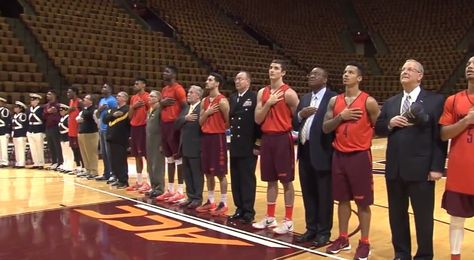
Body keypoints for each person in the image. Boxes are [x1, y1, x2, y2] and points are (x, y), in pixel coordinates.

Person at [375, 59, 446, 260]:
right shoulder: (391, 102)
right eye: (403, 69)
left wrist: (436, 167)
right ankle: (401, 253)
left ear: (420, 75)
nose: (405, 72)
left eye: (410, 69)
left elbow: (439, 137)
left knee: (423, 217)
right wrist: (389, 123)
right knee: (396, 216)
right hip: (394, 169)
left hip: (422, 170)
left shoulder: (435, 101)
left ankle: (424, 255)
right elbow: (378, 128)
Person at [323, 62, 380, 259]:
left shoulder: (369, 102)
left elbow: (378, 127)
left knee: (363, 203)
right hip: (339, 156)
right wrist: (341, 116)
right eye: (344, 71)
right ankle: (343, 238)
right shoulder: (334, 101)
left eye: (351, 72)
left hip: (359, 156)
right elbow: (326, 128)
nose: (346, 75)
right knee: (342, 200)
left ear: (360, 78)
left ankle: (364, 242)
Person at [253, 60, 299, 234]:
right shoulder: (262, 92)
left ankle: (288, 220)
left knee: (286, 180)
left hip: (282, 138)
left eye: (276, 68)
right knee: (270, 180)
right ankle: (270, 216)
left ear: (283, 73)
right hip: (267, 139)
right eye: (270, 67)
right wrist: (268, 103)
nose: (272, 70)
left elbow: (298, 117)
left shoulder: (289, 94)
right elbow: (258, 119)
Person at [294, 67, 336, 245]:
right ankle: (311, 229)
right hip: (304, 151)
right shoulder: (304, 98)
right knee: (308, 193)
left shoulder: (333, 98)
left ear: (325, 78)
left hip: (323, 151)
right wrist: (300, 115)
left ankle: (324, 232)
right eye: (310, 74)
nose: (311, 76)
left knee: (324, 194)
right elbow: (294, 123)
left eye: (316, 74)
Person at [438, 56, 474, 260]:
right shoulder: (453, 100)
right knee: (457, 219)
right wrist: (467, 121)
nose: (470, 67)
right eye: (469, 64)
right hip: (460, 171)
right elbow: (444, 134)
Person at [196, 73, 230, 216]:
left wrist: (219, 126)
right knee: (208, 172)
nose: (206, 81)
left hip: (218, 137)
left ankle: (224, 202)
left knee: (220, 173)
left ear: (217, 83)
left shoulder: (222, 101)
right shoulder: (204, 100)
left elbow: (228, 121)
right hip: (206, 138)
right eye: (207, 79)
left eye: (210, 80)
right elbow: (200, 122)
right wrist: (208, 112)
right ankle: (210, 201)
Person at [228, 71, 260, 224]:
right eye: (236, 79)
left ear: (248, 81)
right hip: (235, 144)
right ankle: (239, 207)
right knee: (235, 178)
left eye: (240, 79)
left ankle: (248, 210)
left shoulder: (254, 97)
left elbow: (259, 123)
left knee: (247, 178)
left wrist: (258, 144)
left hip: (248, 145)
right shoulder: (233, 97)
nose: (237, 81)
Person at [157, 66, 187, 203]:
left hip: (173, 125)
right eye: (164, 71)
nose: (164, 73)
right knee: (168, 158)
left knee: (178, 158)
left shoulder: (178, 89)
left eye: (167, 71)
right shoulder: (164, 90)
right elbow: (162, 107)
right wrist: (161, 104)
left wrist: (178, 122)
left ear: (174, 74)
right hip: (164, 125)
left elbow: (185, 106)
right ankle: (170, 189)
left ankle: (180, 191)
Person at [174, 85, 204, 209]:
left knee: (196, 174)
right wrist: (185, 118)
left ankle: (197, 198)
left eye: (191, 92)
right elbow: (176, 123)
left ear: (198, 95)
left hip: (196, 146)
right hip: (185, 146)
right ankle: (190, 196)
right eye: (188, 92)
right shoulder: (186, 108)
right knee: (187, 174)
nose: (188, 94)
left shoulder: (202, 107)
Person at [127, 78, 150, 192]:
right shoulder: (133, 98)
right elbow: (129, 116)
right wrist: (133, 107)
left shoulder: (147, 97)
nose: (135, 85)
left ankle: (149, 182)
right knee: (136, 155)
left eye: (137, 83)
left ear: (143, 85)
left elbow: (151, 113)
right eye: (134, 83)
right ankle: (139, 181)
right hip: (134, 127)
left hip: (143, 127)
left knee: (146, 155)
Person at [104, 91, 131, 189]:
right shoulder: (113, 109)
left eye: (119, 96)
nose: (117, 97)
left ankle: (124, 181)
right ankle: (117, 178)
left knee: (121, 160)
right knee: (113, 160)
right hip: (111, 137)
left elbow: (129, 122)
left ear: (125, 98)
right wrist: (113, 115)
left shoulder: (127, 109)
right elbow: (104, 119)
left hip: (121, 138)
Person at [94, 84, 117, 181]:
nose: (103, 88)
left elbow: (114, 113)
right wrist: (100, 109)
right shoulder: (102, 100)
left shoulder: (112, 100)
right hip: (101, 128)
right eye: (102, 87)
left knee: (109, 152)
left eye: (105, 87)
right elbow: (98, 114)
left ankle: (113, 173)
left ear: (110, 90)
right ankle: (106, 173)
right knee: (103, 153)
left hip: (109, 128)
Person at [145, 90, 165, 198]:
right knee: (150, 165)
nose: (149, 98)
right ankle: (153, 187)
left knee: (157, 165)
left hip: (157, 140)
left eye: (152, 96)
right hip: (149, 140)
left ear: (158, 98)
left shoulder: (160, 110)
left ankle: (159, 188)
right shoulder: (150, 110)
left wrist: (162, 142)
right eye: (149, 96)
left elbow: (163, 127)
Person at [76, 94, 99, 179]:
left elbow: (98, 121)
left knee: (91, 153)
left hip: (91, 134)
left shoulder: (94, 111)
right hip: (82, 133)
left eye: (86, 98)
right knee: (84, 153)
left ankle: (94, 171)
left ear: (91, 101)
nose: (84, 100)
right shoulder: (83, 110)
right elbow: (77, 119)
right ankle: (87, 170)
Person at [43, 90, 63, 170]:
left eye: (49, 94)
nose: (47, 95)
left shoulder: (58, 105)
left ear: (54, 95)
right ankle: (54, 161)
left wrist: (53, 112)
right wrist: (48, 112)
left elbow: (61, 116)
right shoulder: (46, 106)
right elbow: (43, 116)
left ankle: (60, 161)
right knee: (50, 145)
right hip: (48, 127)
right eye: (47, 94)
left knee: (57, 145)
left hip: (55, 127)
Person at [66, 87, 83, 174]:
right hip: (71, 129)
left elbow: (82, 114)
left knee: (79, 149)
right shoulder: (71, 102)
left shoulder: (79, 102)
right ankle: (77, 166)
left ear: (75, 92)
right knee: (74, 149)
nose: (67, 93)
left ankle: (83, 167)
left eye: (69, 92)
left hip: (77, 129)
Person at [27, 93, 45, 169]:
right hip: (30, 130)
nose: (32, 101)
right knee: (33, 148)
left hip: (38, 130)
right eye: (31, 100)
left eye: (34, 100)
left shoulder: (41, 109)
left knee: (39, 147)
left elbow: (44, 120)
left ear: (38, 101)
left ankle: (41, 163)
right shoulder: (28, 109)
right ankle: (36, 163)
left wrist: (44, 131)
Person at [57, 104, 75, 173]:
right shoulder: (62, 118)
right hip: (62, 136)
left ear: (66, 111)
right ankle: (65, 165)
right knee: (64, 152)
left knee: (69, 152)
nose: (61, 112)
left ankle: (70, 166)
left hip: (67, 136)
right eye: (60, 111)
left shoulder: (68, 118)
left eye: (62, 110)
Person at [12, 101, 27, 168]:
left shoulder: (23, 115)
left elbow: (24, 125)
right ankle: (18, 162)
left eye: (16, 107)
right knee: (17, 149)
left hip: (21, 134)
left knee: (21, 149)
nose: (15, 108)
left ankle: (21, 163)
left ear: (21, 108)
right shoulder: (14, 116)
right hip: (15, 134)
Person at [0, 96, 11, 168]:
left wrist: (7, 132)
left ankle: (5, 162)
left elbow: (7, 122)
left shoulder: (5, 111)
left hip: (3, 131)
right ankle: (1, 161)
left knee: (3, 147)